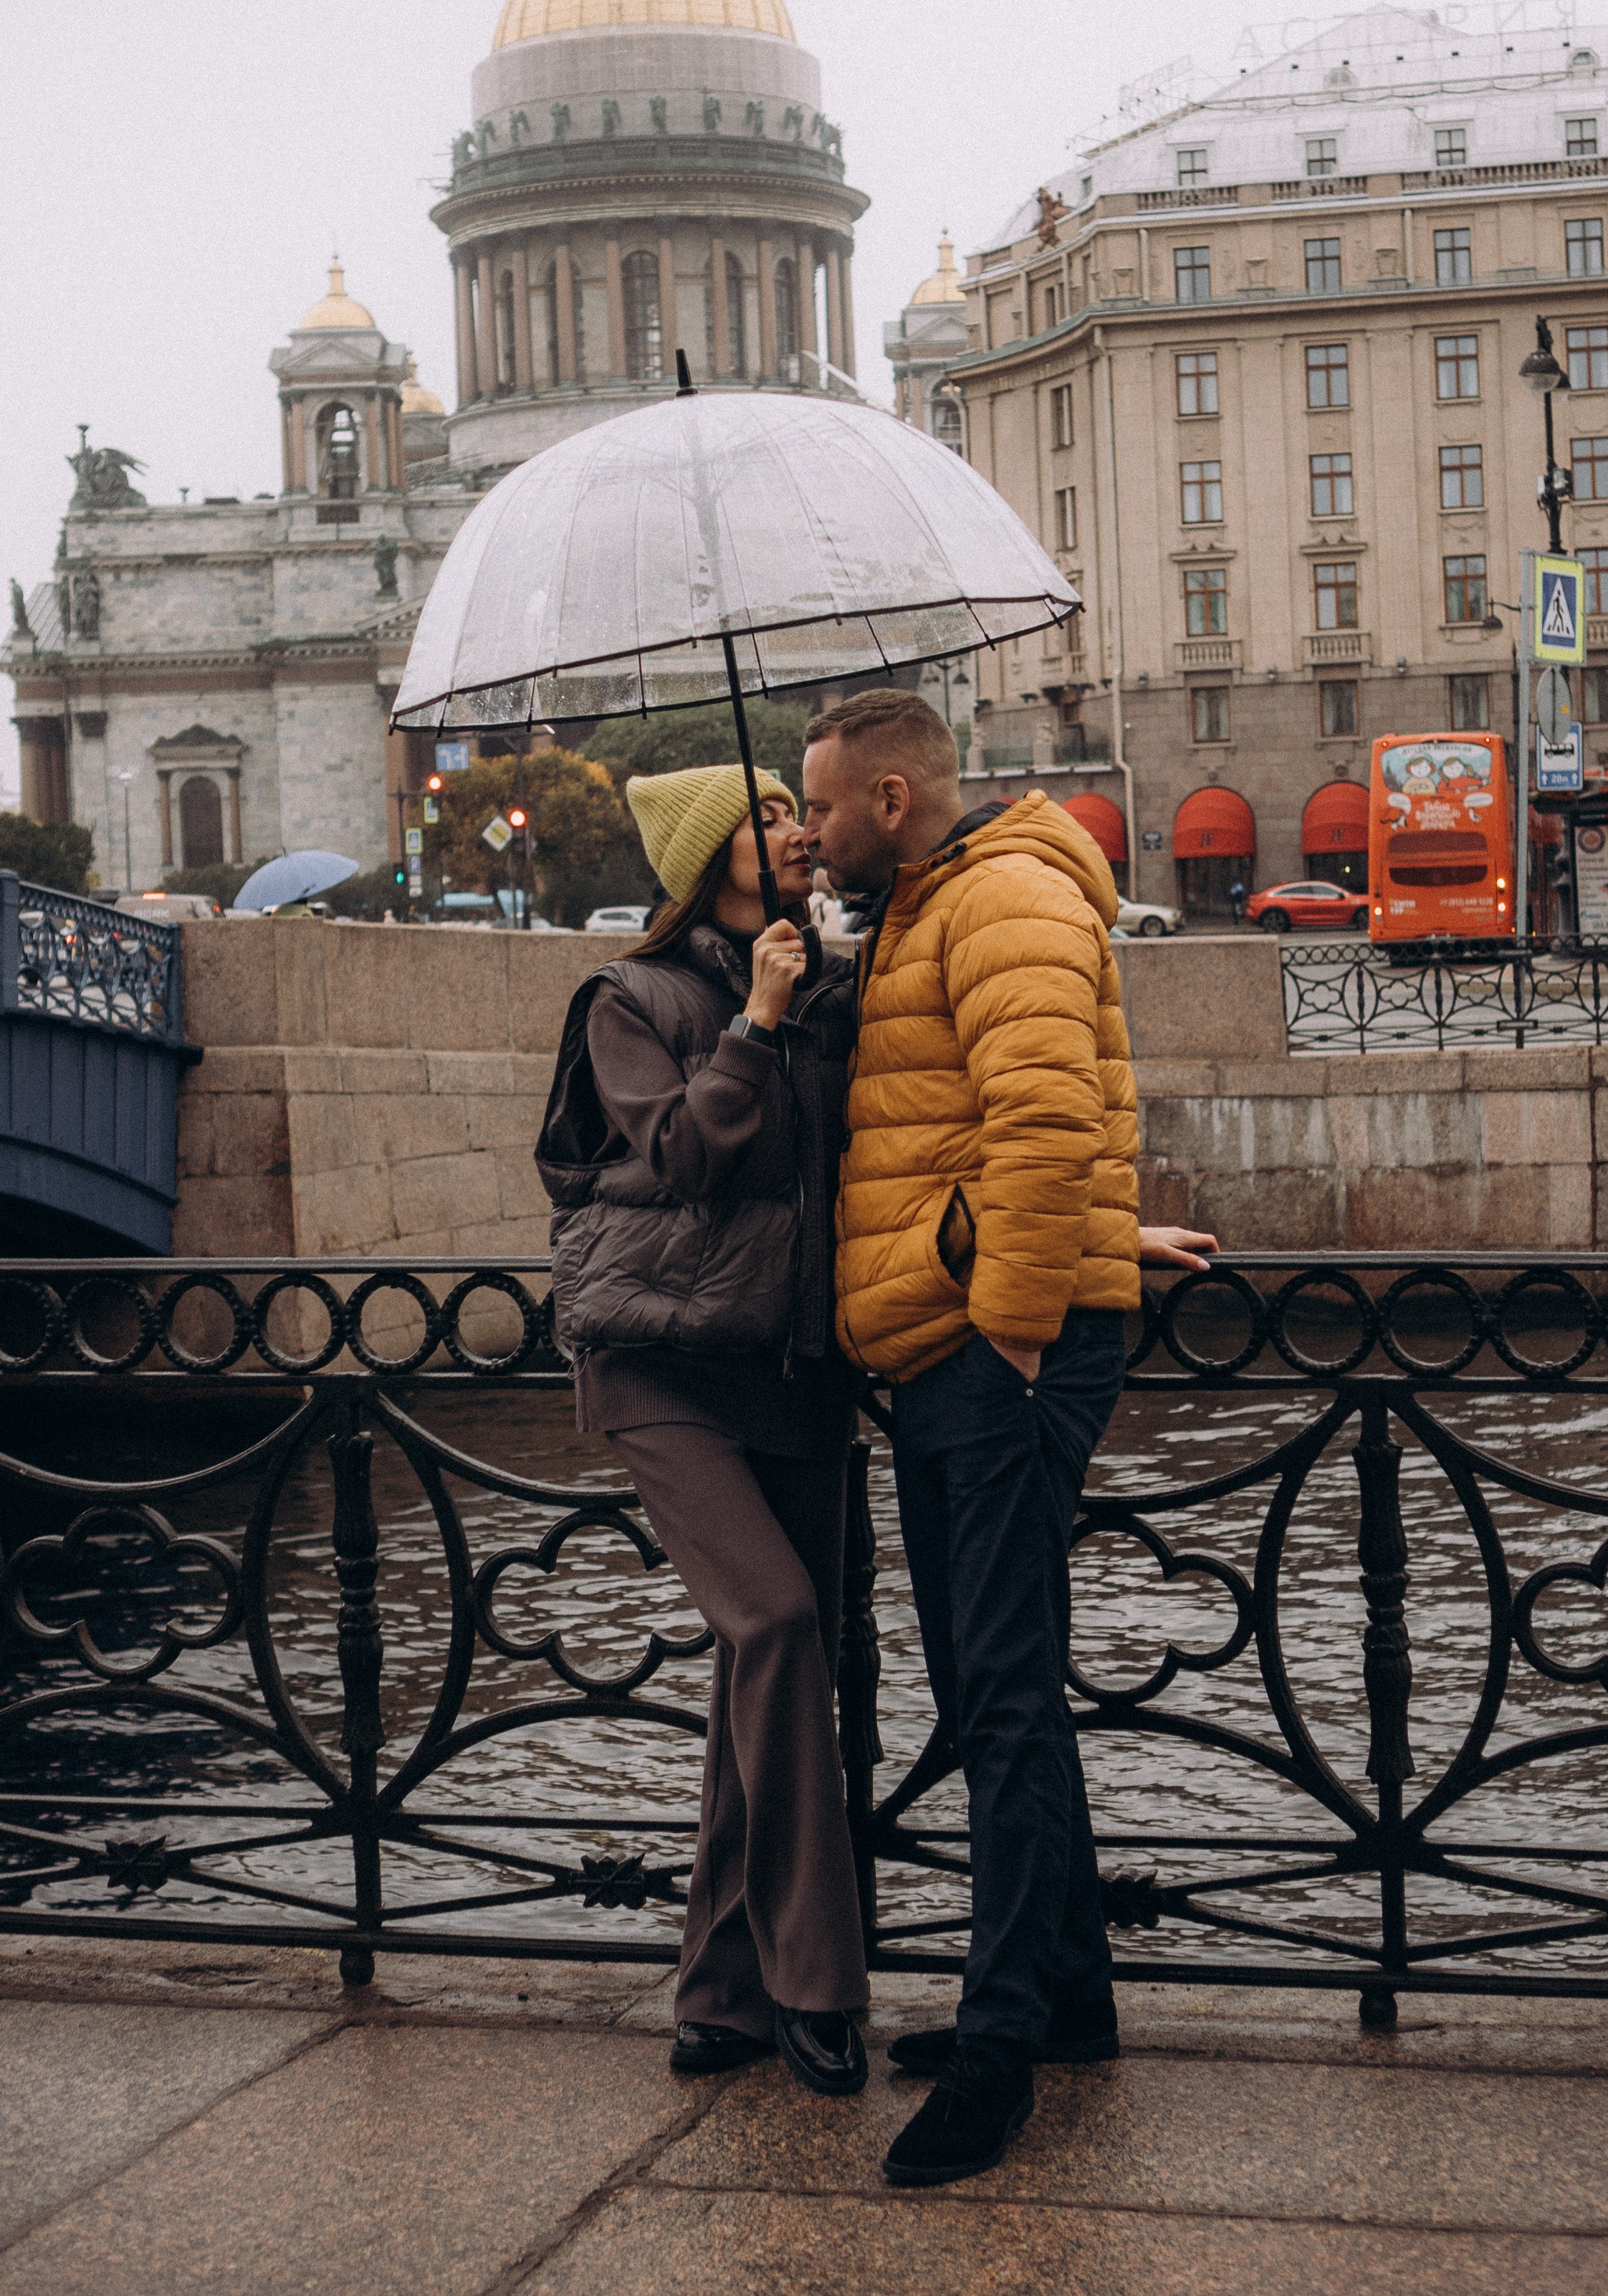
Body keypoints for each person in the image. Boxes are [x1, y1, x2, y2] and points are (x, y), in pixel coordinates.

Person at [800, 689, 1213, 2189]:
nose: (811, 832)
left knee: (1004, 1698)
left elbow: (1043, 1124)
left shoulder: (1006, 897)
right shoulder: (930, 902)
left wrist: (1019, 1321)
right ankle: (1070, 1998)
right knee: (996, 1684)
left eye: (826, 809)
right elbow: (981, 1117)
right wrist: (1085, 1245)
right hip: (960, 1335)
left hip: (992, 1349)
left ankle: (996, 2054)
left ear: (894, 803)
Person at [535, 763, 870, 2100]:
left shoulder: (827, 986)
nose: (795, 829)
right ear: (704, 855)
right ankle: (816, 1984)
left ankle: (719, 1988)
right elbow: (683, 1153)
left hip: (793, 1367)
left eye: (800, 809)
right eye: (769, 814)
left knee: (766, 1668)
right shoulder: (632, 999)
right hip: (660, 1364)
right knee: (779, 1625)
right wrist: (759, 1022)